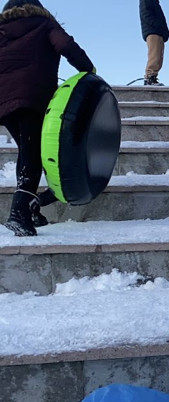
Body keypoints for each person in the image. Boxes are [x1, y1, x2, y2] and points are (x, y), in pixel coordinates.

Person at [0, 0, 94, 236]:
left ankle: (32, 208)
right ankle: (20, 212)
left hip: (4, 102)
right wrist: (88, 71)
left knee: (30, 151)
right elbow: (66, 45)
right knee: (32, 154)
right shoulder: (44, 24)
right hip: (33, 97)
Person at [139, 0, 169, 86]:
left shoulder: (154, 2)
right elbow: (146, 15)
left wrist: (164, 31)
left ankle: (153, 76)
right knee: (154, 55)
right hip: (153, 31)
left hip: (158, 31)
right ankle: (150, 77)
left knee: (158, 56)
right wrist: (158, 26)